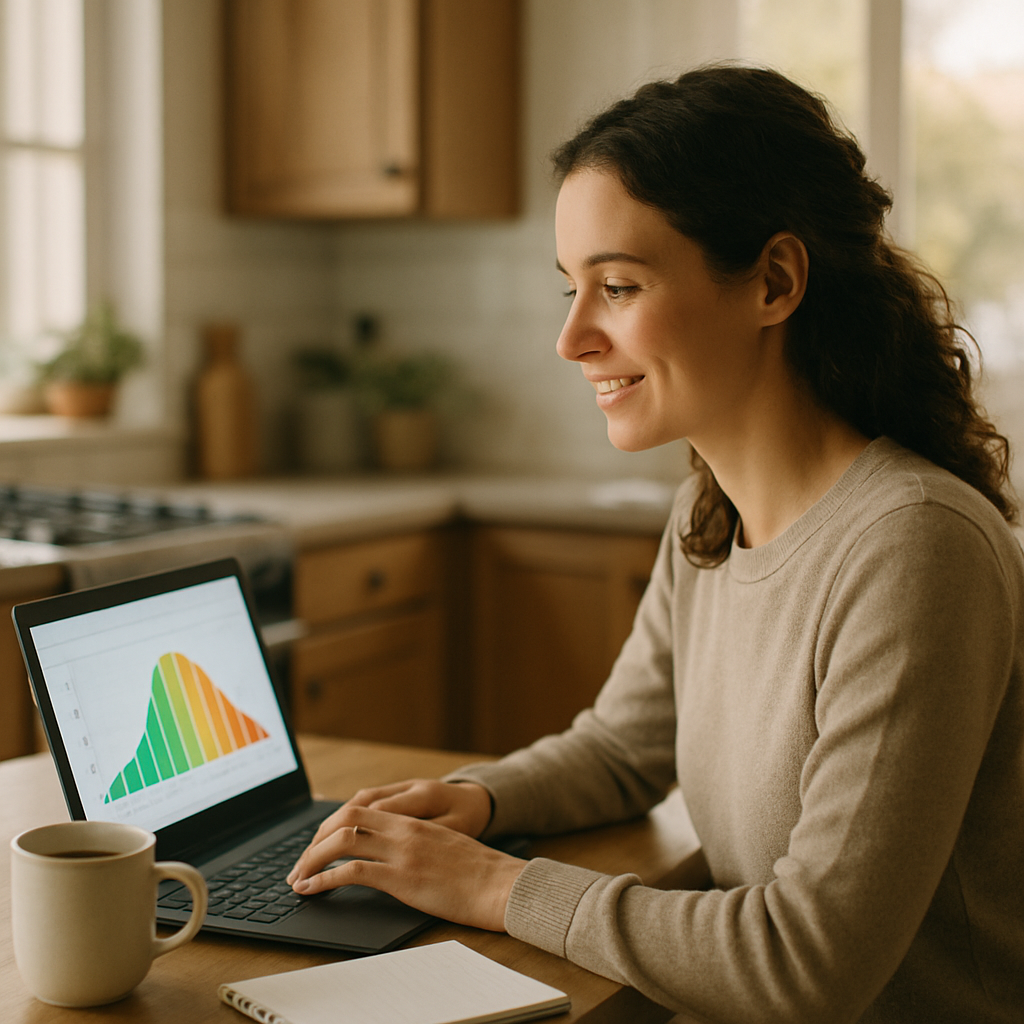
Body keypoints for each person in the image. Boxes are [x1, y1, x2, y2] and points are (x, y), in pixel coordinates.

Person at [287, 65, 1024, 1023]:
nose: (573, 339)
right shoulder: (709, 514)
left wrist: (491, 886)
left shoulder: (914, 548)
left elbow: (808, 963)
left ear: (774, 281)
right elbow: (622, 748)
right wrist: (476, 801)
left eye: (619, 286)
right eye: (571, 289)